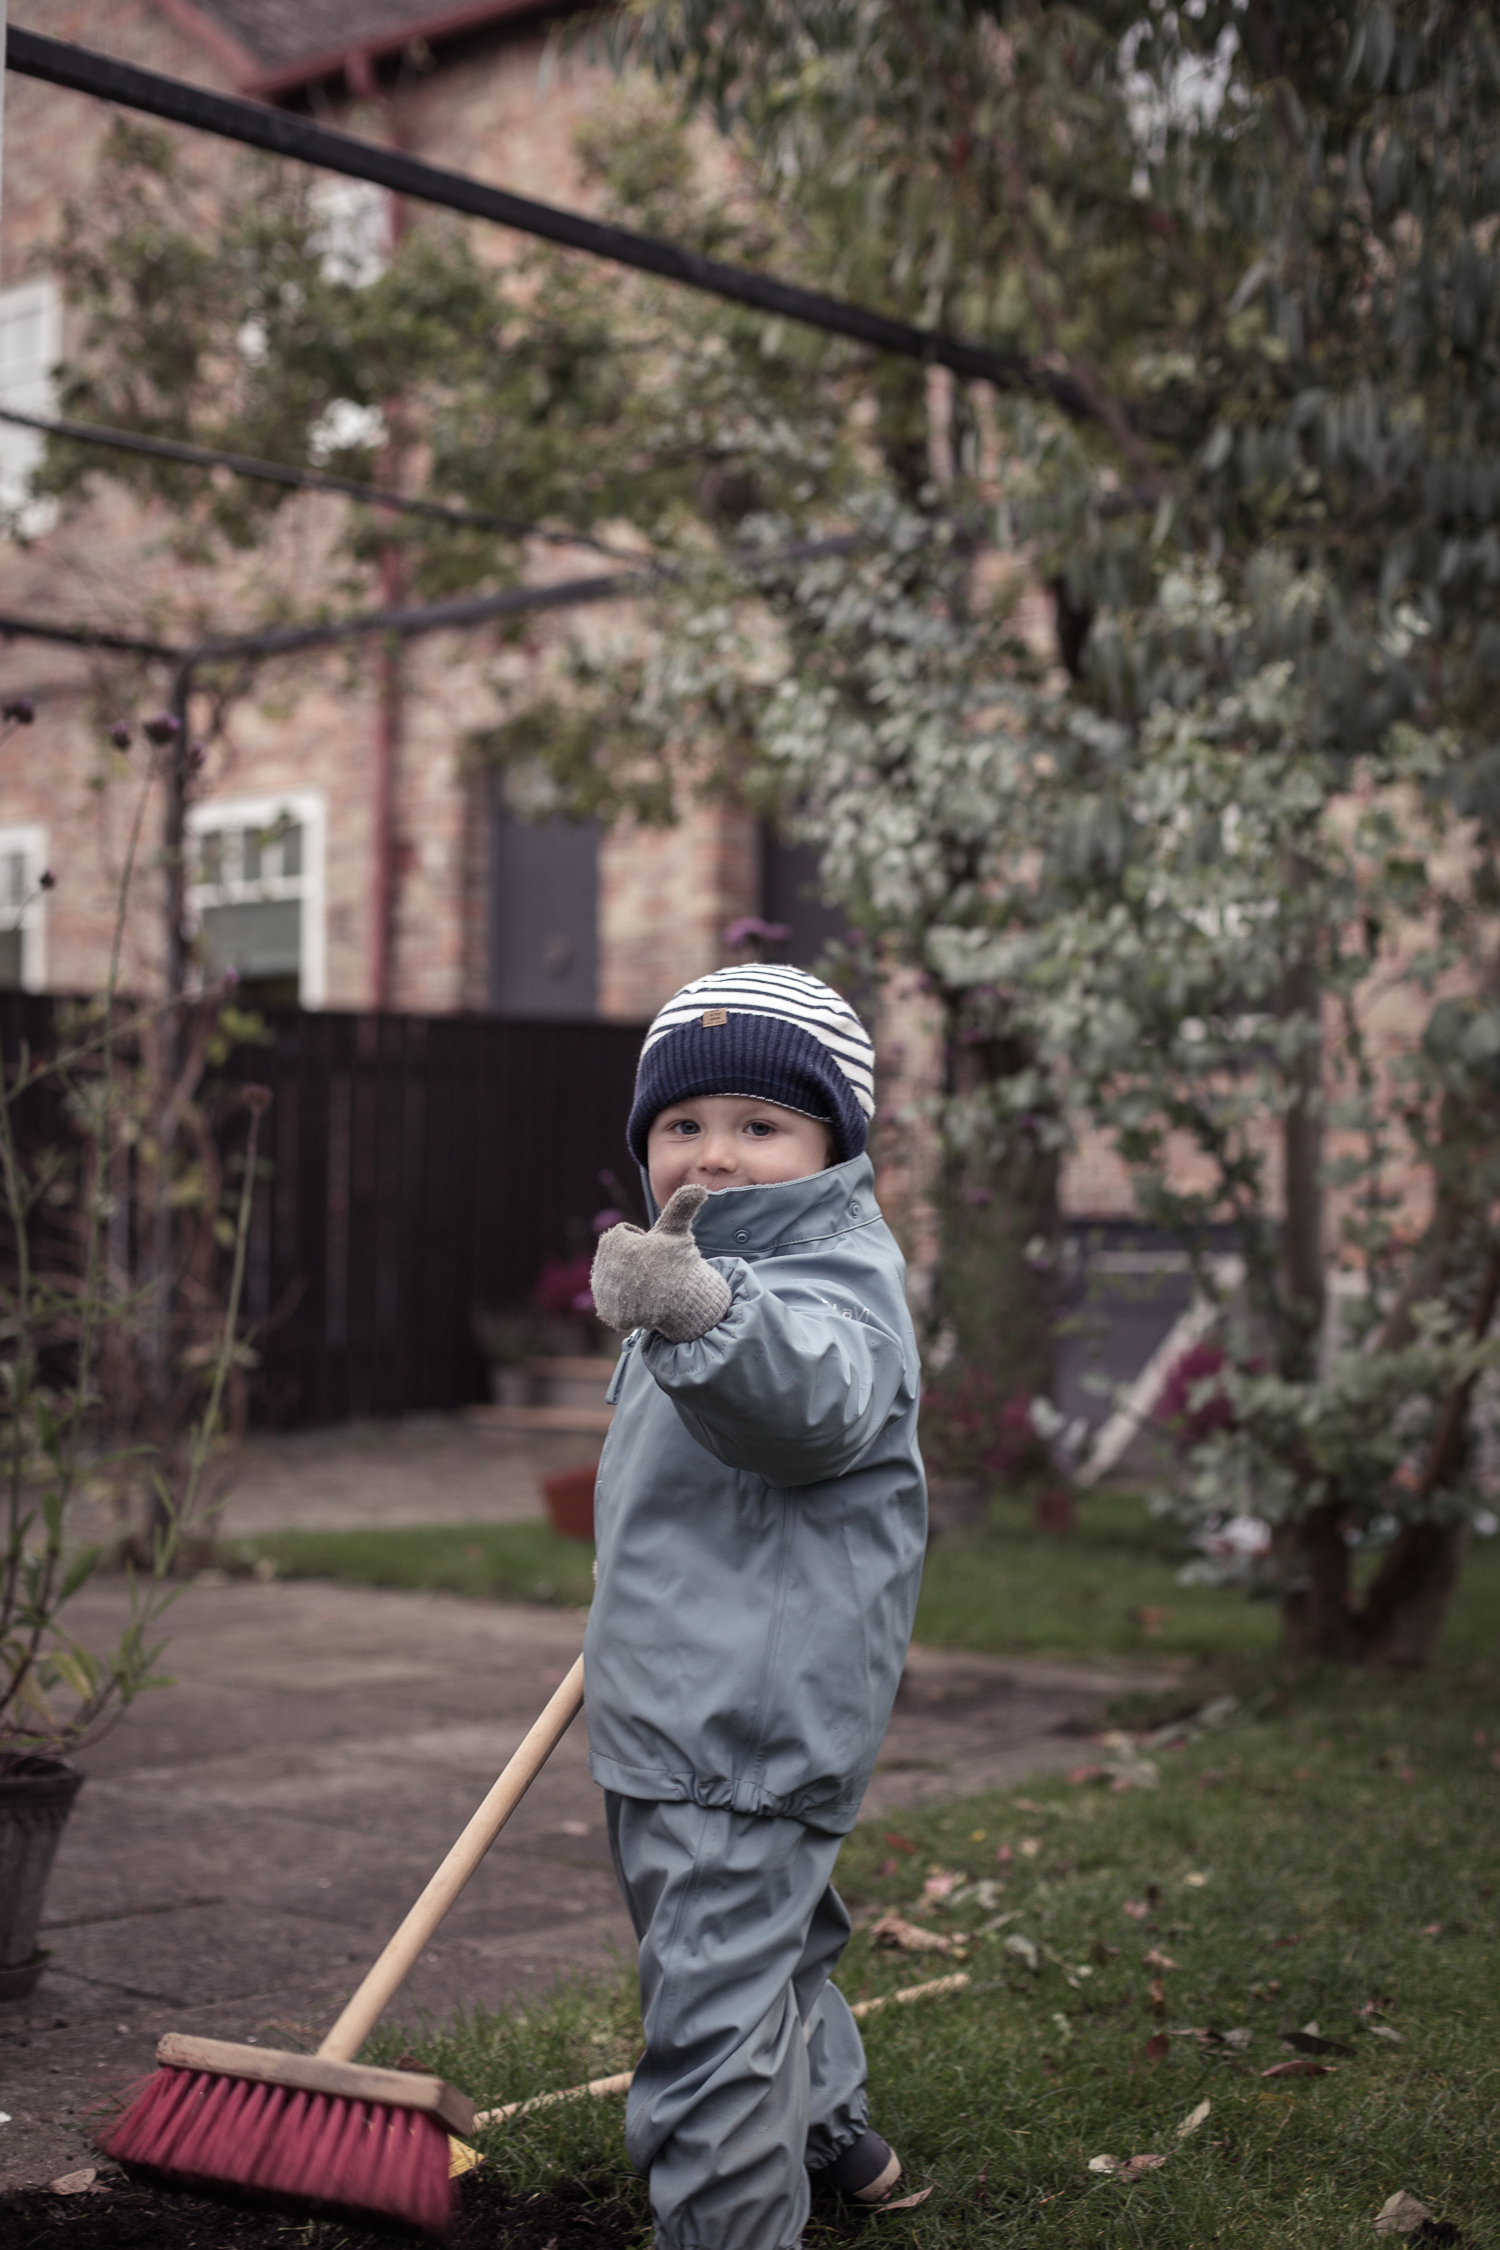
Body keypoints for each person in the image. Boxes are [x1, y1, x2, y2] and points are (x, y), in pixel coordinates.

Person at [586, 962, 927, 2250]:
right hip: (681, 1683)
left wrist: (705, 1316)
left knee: (712, 2005)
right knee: (762, 1939)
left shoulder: (830, 1280)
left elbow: (808, 1402)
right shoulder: (704, 1263)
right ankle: (833, 2134)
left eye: (760, 1127)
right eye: (684, 1128)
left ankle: (729, 2219)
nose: (714, 1157)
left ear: (834, 1143)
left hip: (740, 1709)